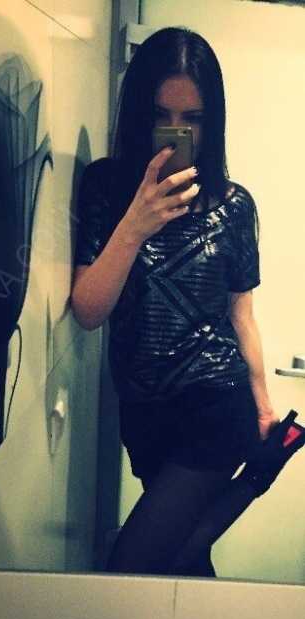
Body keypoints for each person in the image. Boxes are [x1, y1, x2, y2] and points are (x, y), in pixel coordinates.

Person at [71, 27, 276, 576]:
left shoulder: (234, 206)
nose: (177, 131)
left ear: (213, 121)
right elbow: (88, 311)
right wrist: (134, 224)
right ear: (140, 113)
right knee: (181, 560)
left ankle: (247, 483)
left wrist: (262, 405)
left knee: (130, 566)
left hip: (216, 410)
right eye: (162, 115)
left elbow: (241, 315)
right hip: (145, 418)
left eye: (193, 118)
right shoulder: (105, 187)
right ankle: (249, 489)